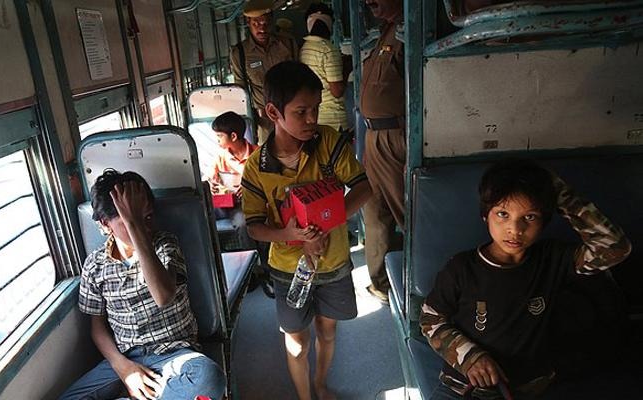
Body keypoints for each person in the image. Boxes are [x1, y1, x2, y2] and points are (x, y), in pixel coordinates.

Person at [419, 160, 631, 399]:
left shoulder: (554, 259)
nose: (515, 229)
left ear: (544, 221)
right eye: (502, 214)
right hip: (461, 386)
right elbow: (430, 320)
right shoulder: (462, 267)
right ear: (485, 216)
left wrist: (557, 191)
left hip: (527, 388)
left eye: (529, 217)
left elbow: (615, 248)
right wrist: (470, 358)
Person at [241, 61, 372, 400]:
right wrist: (290, 235)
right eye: (301, 112)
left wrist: (324, 220)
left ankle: (320, 384)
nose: (312, 119)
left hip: (333, 263)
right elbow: (255, 227)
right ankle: (305, 396)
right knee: (297, 343)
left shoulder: (328, 142)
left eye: (316, 108)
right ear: (273, 112)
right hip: (288, 269)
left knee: (327, 332)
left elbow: (363, 187)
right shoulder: (256, 168)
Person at [60, 170, 226, 400]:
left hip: (175, 355)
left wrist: (134, 224)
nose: (145, 227)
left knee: (209, 378)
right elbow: (97, 328)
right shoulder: (94, 266)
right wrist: (124, 369)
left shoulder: (165, 245)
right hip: (126, 359)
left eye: (147, 218)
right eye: (129, 222)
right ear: (106, 224)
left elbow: (163, 296)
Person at [360, 0, 406, 305]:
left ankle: (422, 283)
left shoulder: (409, 29)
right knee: (374, 210)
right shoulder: (387, 31)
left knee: (407, 213)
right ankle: (381, 282)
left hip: (395, 135)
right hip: (374, 135)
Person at [208, 111, 275, 298]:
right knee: (242, 222)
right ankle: (253, 269)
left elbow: (270, 183)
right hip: (233, 205)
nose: (217, 140)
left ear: (233, 136)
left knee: (255, 222)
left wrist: (249, 188)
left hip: (259, 204)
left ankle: (264, 269)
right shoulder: (221, 157)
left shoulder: (259, 154)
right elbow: (211, 179)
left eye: (219, 136)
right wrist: (213, 185)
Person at [229, 0, 298, 145]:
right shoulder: (240, 53)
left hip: (292, 113)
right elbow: (241, 90)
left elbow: (300, 77)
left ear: (272, 21)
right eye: (256, 24)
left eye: (265, 23)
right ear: (248, 22)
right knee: (269, 154)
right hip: (264, 121)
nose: (262, 29)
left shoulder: (288, 44)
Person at [299, 3, 348, 131]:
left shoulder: (304, 48)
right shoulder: (328, 50)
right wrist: (347, 68)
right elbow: (337, 92)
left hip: (316, 116)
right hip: (334, 118)